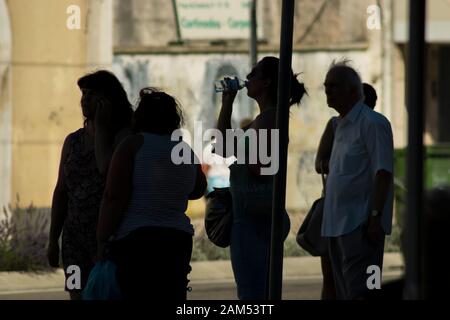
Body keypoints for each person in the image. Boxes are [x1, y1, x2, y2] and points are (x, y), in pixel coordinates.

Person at [96, 88, 207, 300]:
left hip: (138, 239)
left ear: (141, 116)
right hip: (177, 240)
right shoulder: (184, 149)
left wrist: (102, 239)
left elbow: (113, 196)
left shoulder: (132, 145)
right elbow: (198, 189)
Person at [216, 56, 306, 299]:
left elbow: (261, 166)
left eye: (254, 74)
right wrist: (227, 102)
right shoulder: (263, 119)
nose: (247, 78)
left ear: (266, 82)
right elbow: (223, 147)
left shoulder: (269, 119)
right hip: (256, 216)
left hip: (256, 219)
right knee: (258, 292)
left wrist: (241, 155)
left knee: (252, 295)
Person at [47, 70, 133, 300]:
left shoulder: (124, 138)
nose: (84, 100)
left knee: (106, 295)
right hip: (73, 242)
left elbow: (108, 176)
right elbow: (61, 191)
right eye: (83, 94)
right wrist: (52, 240)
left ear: (107, 100)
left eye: (91, 94)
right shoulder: (73, 141)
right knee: (76, 294)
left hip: (109, 242)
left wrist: (102, 131)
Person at [321, 60, 394, 300]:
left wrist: (374, 218)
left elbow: (383, 172)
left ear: (353, 90)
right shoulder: (339, 125)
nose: (328, 91)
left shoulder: (373, 123)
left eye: (334, 86)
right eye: (326, 86)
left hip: (361, 227)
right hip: (337, 225)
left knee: (367, 292)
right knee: (346, 293)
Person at [315, 82, 378, 299]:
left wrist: (376, 216)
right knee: (332, 277)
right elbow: (319, 163)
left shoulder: (376, 127)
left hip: (366, 217)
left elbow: (384, 174)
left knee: (371, 279)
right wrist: (345, 162)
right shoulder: (334, 125)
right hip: (336, 213)